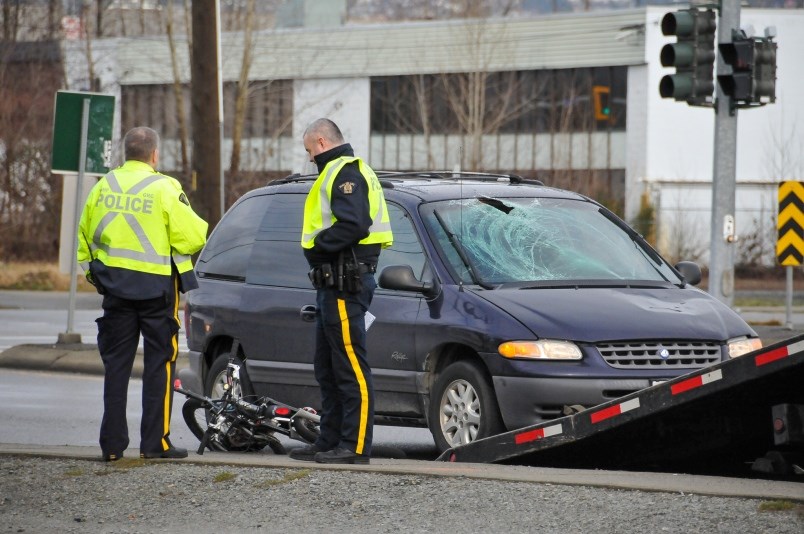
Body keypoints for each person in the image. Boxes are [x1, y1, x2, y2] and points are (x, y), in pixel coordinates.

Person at [77, 126, 208, 461]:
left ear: (125, 154)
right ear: (154, 155)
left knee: (116, 367)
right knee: (159, 366)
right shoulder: (165, 187)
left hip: (115, 291)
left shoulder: (104, 186)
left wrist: (98, 275)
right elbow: (193, 237)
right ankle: (155, 444)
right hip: (156, 292)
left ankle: (111, 447)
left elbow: (84, 239)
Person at [290, 118, 393, 465]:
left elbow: (354, 224)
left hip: (346, 281)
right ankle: (329, 439)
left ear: (320, 142)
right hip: (332, 282)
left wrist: (318, 247)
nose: (308, 158)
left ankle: (355, 445)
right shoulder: (336, 171)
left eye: (308, 150)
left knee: (349, 367)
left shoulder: (346, 172)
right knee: (328, 367)